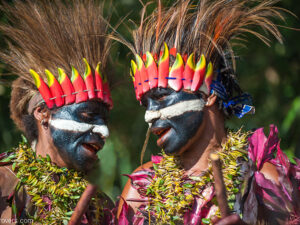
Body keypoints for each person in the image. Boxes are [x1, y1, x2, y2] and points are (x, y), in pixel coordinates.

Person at [117, 0, 300, 224]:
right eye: (146, 105)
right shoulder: (141, 192)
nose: (149, 115)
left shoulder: (264, 181)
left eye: (162, 98)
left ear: (208, 95)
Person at [0, 0, 115, 224]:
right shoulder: (3, 182)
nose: (104, 131)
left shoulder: (101, 207)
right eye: (88, 116)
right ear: (43, 113)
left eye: (105, 120)